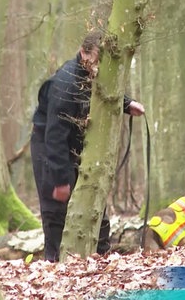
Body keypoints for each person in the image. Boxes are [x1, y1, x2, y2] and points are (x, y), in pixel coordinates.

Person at [31, 31, 145, 262]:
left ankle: (102, 259)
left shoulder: (92, 73)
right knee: (56, 211)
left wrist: (127, 103)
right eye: (97, 60)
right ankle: (54, 264)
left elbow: (101, 89)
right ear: (84, 53)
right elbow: (54, 137)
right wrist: (61, 180)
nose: (100, 67)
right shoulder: (65, 84)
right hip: (49, 147)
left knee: (95, 202)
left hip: (78, 146)